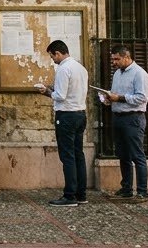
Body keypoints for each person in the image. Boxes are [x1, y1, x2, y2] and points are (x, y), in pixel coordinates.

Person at [37, 39, 88, 207]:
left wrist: (46, 92)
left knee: (67, 156)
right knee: (78, 154)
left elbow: (60, 95)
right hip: (80, 113)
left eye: (52, 57)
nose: (53, 60)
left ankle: (70, 195)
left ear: (58, 53)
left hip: (66, 115)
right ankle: (81, 193)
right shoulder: (80, 68)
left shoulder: (63, 69)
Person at [101, 44, 148, 202]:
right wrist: (109, 99)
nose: (114, 62)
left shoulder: (139, 74)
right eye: (113, 59)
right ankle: (126, 188)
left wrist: (120, 98)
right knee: (123, 155)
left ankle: (142, 191)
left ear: (127, 57)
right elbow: (115, 95)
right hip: (118, 116)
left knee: (137, 155)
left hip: (133, 118)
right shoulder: (117, 74)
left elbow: (141, 98)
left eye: (117, 59)